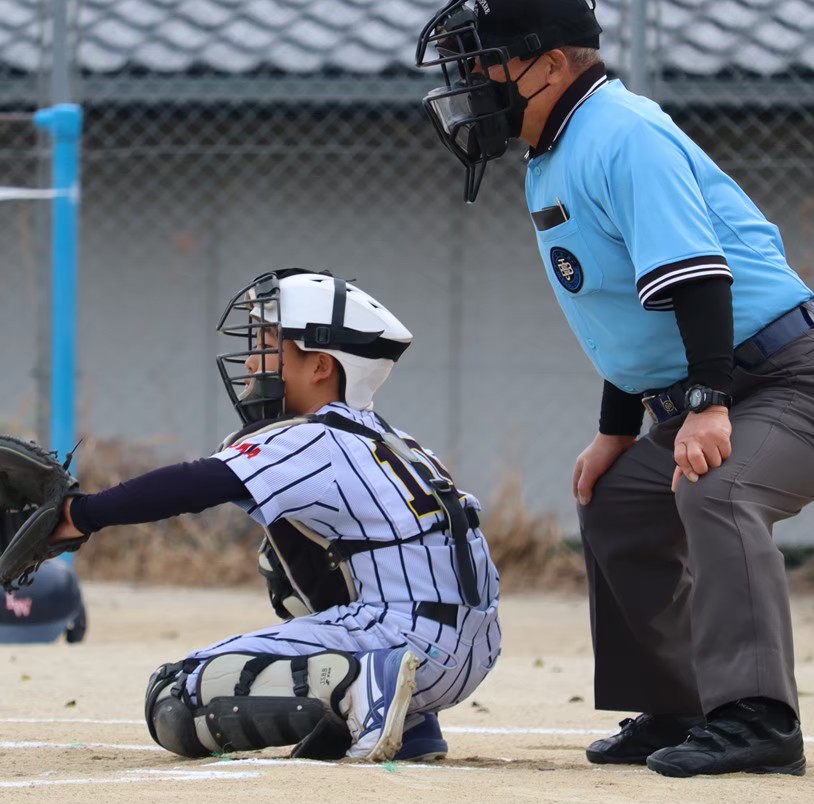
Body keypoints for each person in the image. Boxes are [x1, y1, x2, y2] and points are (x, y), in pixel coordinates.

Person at [417, 0, 814, 777]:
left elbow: (698, 279)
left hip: (797, 380)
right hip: (723, 377)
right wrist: (615, 434)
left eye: (484, 61)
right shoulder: (558, 148)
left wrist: (704, 407)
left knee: (719, 489)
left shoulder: (623, 132)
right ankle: (678, 707)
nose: (471, 82)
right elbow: (632, 318)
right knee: (621, 501)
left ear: (552, 65)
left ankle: (758, 719)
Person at [41, 270, 501, 762]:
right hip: (472, 648)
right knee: (282, 549)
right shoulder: (400, 442)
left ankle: (366, 686)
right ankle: (412, 723)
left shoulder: (314, 437)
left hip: (405, 638)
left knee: (176, 695)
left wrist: (80, 514)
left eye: (269, 343)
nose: (255, 358)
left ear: (321, 366)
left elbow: (195, 482)